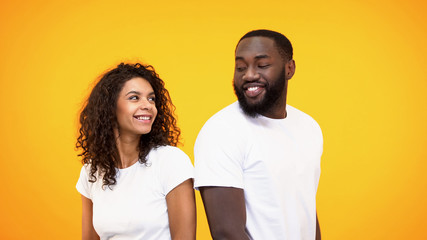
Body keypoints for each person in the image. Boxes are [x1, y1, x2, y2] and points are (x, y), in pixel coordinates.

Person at [194, 29, 323, 240]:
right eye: (240, 67)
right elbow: (226, 233)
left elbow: (306, 211)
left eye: (262, 65)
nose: (249, 75)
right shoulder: (222, 130)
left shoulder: (309, 127)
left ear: (289, 69)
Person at [76, 63, 196, 240]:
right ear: (110, 107)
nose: (147, 105)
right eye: (134, 98)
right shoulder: (91, 171)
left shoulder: (171, 161)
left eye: (151, 98)